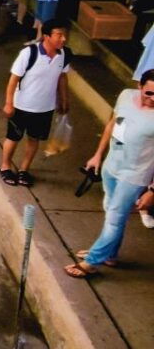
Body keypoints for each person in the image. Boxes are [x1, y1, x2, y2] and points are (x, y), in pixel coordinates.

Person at [64, 69, 154, 278]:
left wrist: (151, 190)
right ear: (140, 87)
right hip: (112, 166)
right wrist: (97, 155)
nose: (152, 99)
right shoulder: (126, 96)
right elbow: (115, 125)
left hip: (134, 175)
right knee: (112, 211)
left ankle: (92, 261)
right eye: (148, 93)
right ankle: (110, 254)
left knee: (114, 216)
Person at [0, 18, 71, 186]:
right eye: (59, 35)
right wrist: (9, 103)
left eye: (64, 35)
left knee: (34, 139)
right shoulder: (29, 53)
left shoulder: (64, 55)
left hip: (45, 108)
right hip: (22, 105)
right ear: (46, 36)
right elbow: (13, 80)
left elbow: (62, 77)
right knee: (13, 137)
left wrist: (64, 99)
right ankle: (5, 167)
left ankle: (24, 170)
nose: (63, 39)